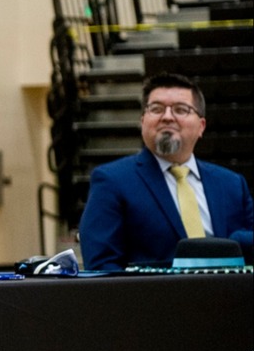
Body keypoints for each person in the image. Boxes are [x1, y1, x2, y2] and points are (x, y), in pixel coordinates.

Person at [79, 72, 254, 271]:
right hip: (153, 300)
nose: (168, 117)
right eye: (157, 109)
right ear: (143, 120)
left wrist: (235, 241)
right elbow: (101, 267)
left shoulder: (232, 184)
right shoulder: (112, 181)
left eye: (181, 109)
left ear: (201, 126)